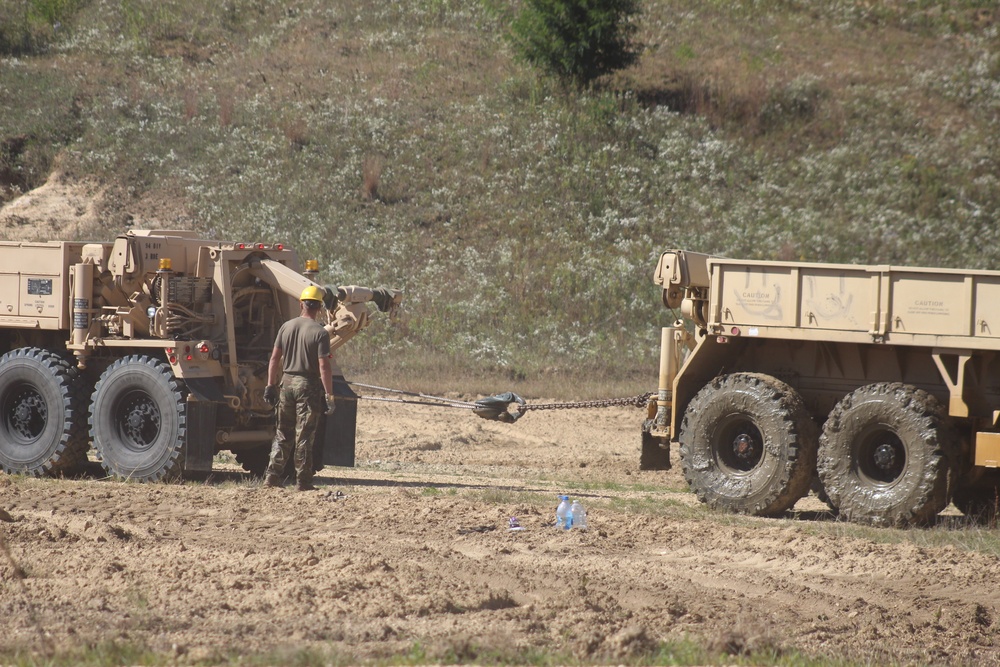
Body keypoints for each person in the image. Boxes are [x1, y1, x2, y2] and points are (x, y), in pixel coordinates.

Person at [261, 285, 336, 491]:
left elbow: (275, 358)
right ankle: (303, 481)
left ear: (301, 304)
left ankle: (272, 477)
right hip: (307, 385)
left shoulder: (286, 327)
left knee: (283, 432)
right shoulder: (320, 333)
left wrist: (270, 385)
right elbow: (324, 366)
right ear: (319, 307)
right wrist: (329, 395)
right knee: (304, 434)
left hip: (286, 383)